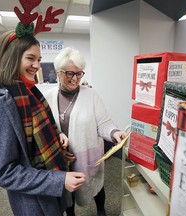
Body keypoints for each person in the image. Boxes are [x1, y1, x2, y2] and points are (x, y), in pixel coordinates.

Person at [0, 27, 86, 216]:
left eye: (38, 60)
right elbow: (4, 172)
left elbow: (38, 131)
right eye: (30, 58)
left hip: (49, 187)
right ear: (11, 57)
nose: (37, 65)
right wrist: (59, 180)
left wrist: (58, 136)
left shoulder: (28, 91)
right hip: (34, 201)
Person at [43, 47, 127, 216]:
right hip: (60, 158)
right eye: (69, 73)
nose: (75, 79)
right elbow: (45, 130)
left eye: (79, 73)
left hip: (88, 156)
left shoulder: (91, 95)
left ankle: (101, 212)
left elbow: (103, 122)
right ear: (58, 73)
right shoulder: (47, 97)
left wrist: (114, 133)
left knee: (96, 186)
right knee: (67, 193)